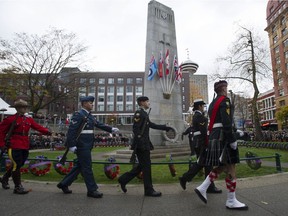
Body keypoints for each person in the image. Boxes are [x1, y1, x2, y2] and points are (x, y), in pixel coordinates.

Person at [194, 80, 248, 210]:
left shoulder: (212, 103)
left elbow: (218, 121)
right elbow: (226, 121)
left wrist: (236, 131)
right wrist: (232, 139)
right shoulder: (225, 100)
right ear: (224, 89)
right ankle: (231, 200)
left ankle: (203, 187)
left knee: (221, 166)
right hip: (224, 137)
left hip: (215, 135)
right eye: (226, 87)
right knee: (231, 168)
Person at [57, 96, 119, 198]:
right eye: (90, 103)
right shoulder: (79, 115)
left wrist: (111, 129)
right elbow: (71, 131)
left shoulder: (89, 115)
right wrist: (71, 145)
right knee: (87, 167)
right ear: (84, 103)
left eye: (92, 103)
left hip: (87, 145)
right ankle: (92, 190)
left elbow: (98, 124)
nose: (92, 104)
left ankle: (63, 184)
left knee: (80, 166)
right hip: (81, 145)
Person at [118, 96, 171, 197]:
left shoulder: (144, 113)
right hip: (142, 145)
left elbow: (151, 124)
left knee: (142, 166)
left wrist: (164, 127)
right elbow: (136, 129)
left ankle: (123, 179)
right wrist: (141, 142)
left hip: (144, 143)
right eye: (147, 101)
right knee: (146, 167)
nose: (149, 103)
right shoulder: (139, 113)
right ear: (142, 103)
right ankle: (149, 190)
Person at [0, 99, 52, 194]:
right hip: (14, 144)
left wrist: (47, 132)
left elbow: (37, 127)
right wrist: (2, 145)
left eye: (25, 107)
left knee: (19, 164)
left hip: (24, 144)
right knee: (16, 164)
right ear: (17, 108)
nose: (24, 109)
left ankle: (5, 178)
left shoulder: (28, 119)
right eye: (22, 107)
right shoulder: (10, 119)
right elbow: (1, 132)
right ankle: (18, 187)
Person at [179, 99, 222, 193]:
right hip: (202, 143)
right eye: (203, 106)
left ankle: (186, 178)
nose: (203, 107)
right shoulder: (201, 117)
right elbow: (203, 133)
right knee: (206, 163)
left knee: (203, 164)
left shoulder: (197, 116)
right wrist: (207, 144)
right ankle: (186, 179)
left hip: (198, 143)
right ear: (199, 106)